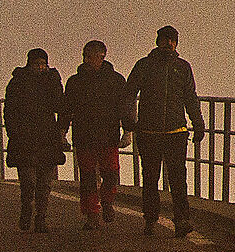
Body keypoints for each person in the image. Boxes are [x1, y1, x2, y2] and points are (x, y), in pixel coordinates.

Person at [125, 25, 204, 237]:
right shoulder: (144, 65)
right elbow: (129, 94)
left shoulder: (183, 67)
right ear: (157, 41)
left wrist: (198, 124)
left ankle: (181, 220)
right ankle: (150, 219)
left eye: (172, 40)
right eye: (165, 40)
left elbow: (190, 97)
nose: (169, 44)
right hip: (149, 132)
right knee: (151, 178)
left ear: (176, 43)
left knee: (178, 179)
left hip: (175, 131)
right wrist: (129, 123)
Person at [60, 39, 132, 230]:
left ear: (102, 56)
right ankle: (92, 214)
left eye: (90, 56)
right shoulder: (75, 82)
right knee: (88, 178)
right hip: (85, 137)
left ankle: (106, 202)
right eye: (86, 55)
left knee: (110, 174)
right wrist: (62, 131)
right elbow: (67, 109)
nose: (87, 59)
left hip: (107, 136)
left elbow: (124, 107)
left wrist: (128, 130)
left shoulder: (116, 80)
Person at [2, 48, 66, 233]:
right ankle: (27, 208)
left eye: (42, 64)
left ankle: (41, 217)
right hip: (24, 137)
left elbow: (59, 105)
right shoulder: (17, 82)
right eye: (36, 64)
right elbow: (9, 110)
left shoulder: (51, 81)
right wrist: (13, 133)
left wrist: (54, 81)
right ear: (29, 64)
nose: (40, 67)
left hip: (47, 136)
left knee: (45, 182)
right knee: (28, 181)